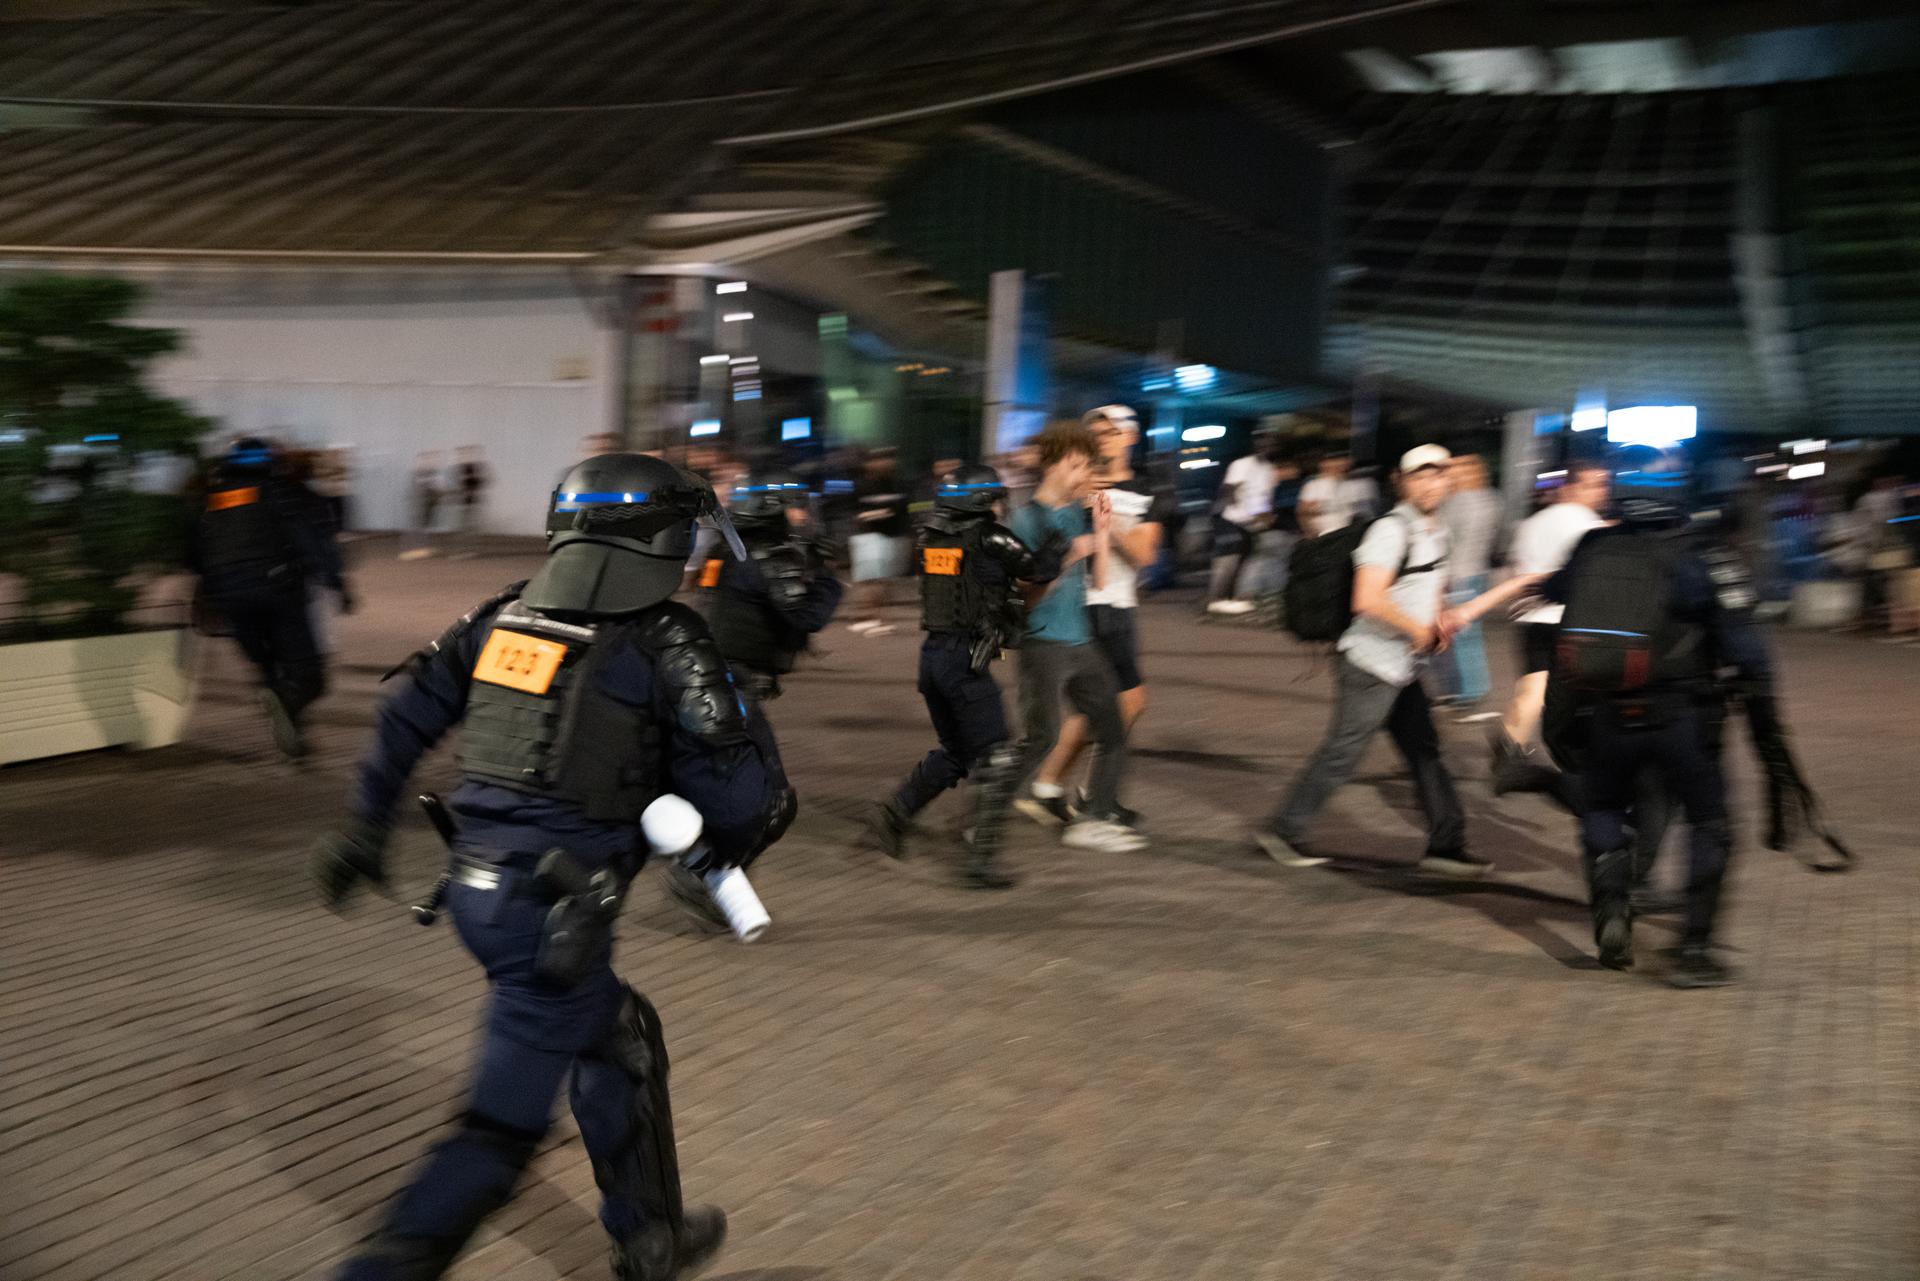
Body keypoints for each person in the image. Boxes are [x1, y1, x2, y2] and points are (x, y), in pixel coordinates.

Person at [310, 452, 791, 1280]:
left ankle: (650, 1237)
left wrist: (364, 830)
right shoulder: (665, 636)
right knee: (497, 1135)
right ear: (664, 537)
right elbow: (746, 800)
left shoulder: (504, 618)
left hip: (479, 891)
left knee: (620, 1038)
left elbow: (401, 718)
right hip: (552, 921)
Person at [1539, 446, 1774, 987]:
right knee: (1709, 822)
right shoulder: (1703, 554)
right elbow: (1748, 652)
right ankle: (1692, 950)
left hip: (1605, 713)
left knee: (1603, 807)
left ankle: (1613, 915)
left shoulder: (1593, 545)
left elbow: (1556, 592)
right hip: (1683, 720)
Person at [1256, 445, 1536, 874]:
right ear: (1402, 482)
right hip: (1369, 665)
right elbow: (1367, 599)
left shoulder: (1436, 529)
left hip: (1402, 667)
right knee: (1343, 754)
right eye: (1419, 476)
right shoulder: (1391, 530)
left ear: (1448, 480)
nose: (1429, 483)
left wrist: (1438, 616)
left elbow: (1427, 585)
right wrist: (1418, 630)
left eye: (1437, 474)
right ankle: (1282, 830)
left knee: (1424, 751)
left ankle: (1446, 845)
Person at [868, 461, 1063, 888]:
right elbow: (1035, 569)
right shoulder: (989, 536)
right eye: (994, 498)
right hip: (963, 661)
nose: (998, 505)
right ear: (980, 500)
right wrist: (1058, 542)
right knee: (995, 754)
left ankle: (895, 814)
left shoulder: (932, 534)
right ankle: (980, 861)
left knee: (956, 751)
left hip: (934, 657)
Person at [1029, 405, 1171, 827]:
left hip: (1118, 604)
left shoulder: (1145, 490)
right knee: (1124, 702)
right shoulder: (1072, 480)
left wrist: (1106, 516)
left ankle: (1048, 787)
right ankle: (1092, 797)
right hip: (1086, 605)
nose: (1102, 437)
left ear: (1130, 436)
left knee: (1098, 708)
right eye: (1094, 430)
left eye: (1111, 431)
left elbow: (1145, 555)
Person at [1007, 422, 1144, 853]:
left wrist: (1102, 533)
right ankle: (984, 807)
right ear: (1053, 463)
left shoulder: (1072, 514)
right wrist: (1069, 554)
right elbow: (1021, 596)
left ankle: (1094, 820)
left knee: (1113, 730)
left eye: (1087, 466)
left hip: (1081, 639)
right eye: (1077, 465)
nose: (1084, 475)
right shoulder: (1025, 519)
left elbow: (1100, 582)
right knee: (1040, 739)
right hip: (1042, 642)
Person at [189, 436, 352, 761]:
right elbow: (310, 541)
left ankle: (294, 736)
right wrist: (337, 584)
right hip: (280, 594)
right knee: (310, 677)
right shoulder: (283, 492)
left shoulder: (215, 498)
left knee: (270, 674)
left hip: (230, 599)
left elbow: (194, 553)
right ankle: (288, 704)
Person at [1490, 458, 1610, 793]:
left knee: (1532, 691)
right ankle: (1581, 766)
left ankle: (1507, 755)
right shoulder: (1586, 522)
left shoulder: (1531, 523)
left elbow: (1516, 570)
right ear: (1572, 486)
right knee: (1578, 696)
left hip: (1530, 617)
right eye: (1595, 483)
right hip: (1567, 619)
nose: (1602, 491)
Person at [1435, 453, 1501, 709]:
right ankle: (1467, 689)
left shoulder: (1456, 501)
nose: (1449, 474)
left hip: (1459, 575)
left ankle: (1469, 692)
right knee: (1468, 636)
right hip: (1478, 572)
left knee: (1462, 637)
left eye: (1455, 468)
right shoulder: (1491, 498)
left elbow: (1443, 541)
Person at [1206, 431, 1278, 616]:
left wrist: (1265, 518)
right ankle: (1216, 600)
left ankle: (1230, 599)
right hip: (1232, 518)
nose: (1266, 447)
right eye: (1262, 443)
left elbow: (1265, 497)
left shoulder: (1269, 469)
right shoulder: (1241, 464)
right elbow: (1229, 489)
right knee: (1228, 560)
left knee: (1243, 561)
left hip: (1252, 522)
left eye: (1269, 443)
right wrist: (1235, 507)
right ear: (1255, 445)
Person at [848, 448, 909, 636]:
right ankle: (869, 618)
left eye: (888, 459)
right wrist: (878, 514)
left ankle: (878, 618)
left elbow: (903, 511)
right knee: (870, 580)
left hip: (894, 536)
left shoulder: (898, 484)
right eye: (878, 460)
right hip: (868, 536)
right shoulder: (862, 484)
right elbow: (856, 513)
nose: (884, 463)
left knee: (885, 581)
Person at [1297, 450, 1377, 539]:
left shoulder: (1363, 484)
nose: (1337, 464)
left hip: (1353, 534)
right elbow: (1303, 513)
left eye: (1340, 460)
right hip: (1324, 536)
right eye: (1332, 461)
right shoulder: (1313, 486)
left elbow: (1368, 513)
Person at [402, 451, 443, 561]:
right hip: (418, 504)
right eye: (426, 460)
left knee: (425, 528)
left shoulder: (433, 474)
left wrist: (435, 498)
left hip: (427, 505)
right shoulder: (417, 474)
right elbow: (417, 489)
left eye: (430, 460)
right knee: (414, 527)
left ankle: (423, 548)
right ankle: (410, 550)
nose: (429, 462)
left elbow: (435, 490)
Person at [454, 445, 490, 533]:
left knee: (471, 510)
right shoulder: (467, 468)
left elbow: (481, 480)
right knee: (469, 510)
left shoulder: (472, 468)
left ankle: (473, 526)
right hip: (470, 490)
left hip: (471, 490)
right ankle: (470, 526)